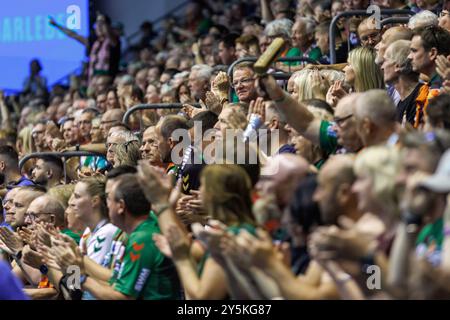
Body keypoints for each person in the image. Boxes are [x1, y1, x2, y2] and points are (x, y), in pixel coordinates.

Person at [381, 40, 426, 127]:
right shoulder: (400, 103)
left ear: (397, 66)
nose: (382, 67)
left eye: (385, 61)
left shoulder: (422, 97)